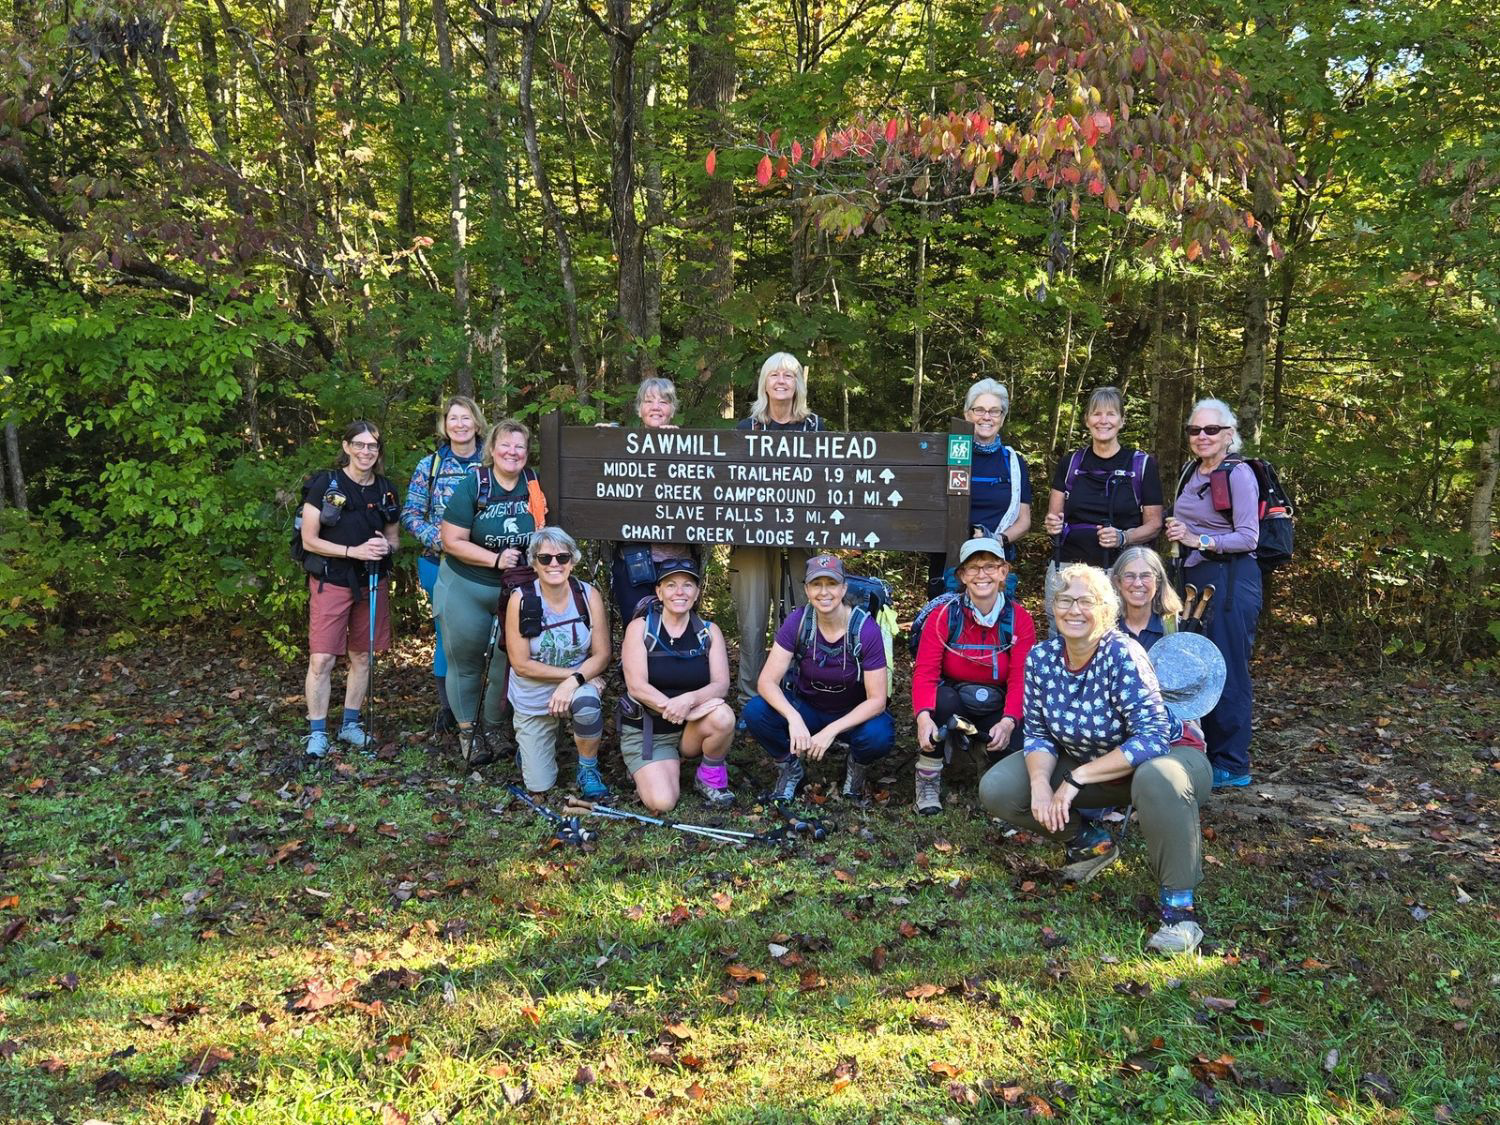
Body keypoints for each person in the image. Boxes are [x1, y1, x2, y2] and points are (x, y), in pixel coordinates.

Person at [978, 563, 1214, 954]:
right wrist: (1040, 785)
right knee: (1000, 787)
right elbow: (1037, 734)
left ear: (1106, 609)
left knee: (1156, 778)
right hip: (1097, 765)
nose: (1074, 610)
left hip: (1170, 757)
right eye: (1065, 600)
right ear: (1053, 608)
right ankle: (1092, 844)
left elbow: (1153, 736)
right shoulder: (1041, 658)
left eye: (1086, 601)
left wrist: (1074, 780)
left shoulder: (1122, 653)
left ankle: (1179, 913)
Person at [434, 418, 548, 766]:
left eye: (520, 446)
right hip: (466, 584)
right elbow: (450, 540)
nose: (512, 452)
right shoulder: (475, 483)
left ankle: (495, 726)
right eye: (506, 445)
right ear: (492, 449)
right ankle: (468, 732)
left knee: (508, 662)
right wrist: (495, 559)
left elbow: (546, 529)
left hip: (516, 590)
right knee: (466, 661)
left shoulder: (534, 484)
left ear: (527, 453)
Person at [1163, 398, 1261, 789]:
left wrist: (1198, 539)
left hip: (1232, 580)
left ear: (1229, 434)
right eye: (1195, 430)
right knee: (1200, 667)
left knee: (1229, 669)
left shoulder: (1237, 474)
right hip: (1197, 578)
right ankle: (1205, 752)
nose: (1202, 436)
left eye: (1211, 430)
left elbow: (1248, 536)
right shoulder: (1194, 470)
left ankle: (1233, 763)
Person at [742, 555, 895, 804]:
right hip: (808, 709)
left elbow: (877, 700)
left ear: (843, 588)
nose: (824, 592)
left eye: (831, 584)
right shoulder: (799, 622)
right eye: (816, 584)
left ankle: (856, 766)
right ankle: (790, 768)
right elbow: (766, 682)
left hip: (851, 714)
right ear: (807, 589)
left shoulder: (865, 629)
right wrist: (793, 718)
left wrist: (831, 731)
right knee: (756, 711)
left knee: (879, 734)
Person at [911, 537, 1036, 815]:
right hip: (955, 701)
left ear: (1003, 572)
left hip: (998, 704)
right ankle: (928, 778)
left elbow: (1021, 678)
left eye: (990, 566)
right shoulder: (944, 615)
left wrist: (1008, 721)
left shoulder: (1019, 619)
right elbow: (926, 671)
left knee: (1021, 739)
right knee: (939, 702)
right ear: (962, 576)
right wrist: (922, 717)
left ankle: (986, 757)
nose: (982, 574)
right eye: (973, 567)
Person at [297, 420, 400, 758]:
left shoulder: (385, 489)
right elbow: (309, 540)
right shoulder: (325, 484)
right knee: (323, 658)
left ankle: (351, 725)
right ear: (346, 446)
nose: (366, 451)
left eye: (372, 446)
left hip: (372, 581)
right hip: (332, 580)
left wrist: (385, 548)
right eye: (359, 444)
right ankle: (317, 731)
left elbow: (394, 538)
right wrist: (351, 552)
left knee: (362, 656)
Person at [729, 352, 825, 698]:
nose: (781, 380)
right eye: (775, 375)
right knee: (752, 622)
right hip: (751, 543)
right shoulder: (747, 427)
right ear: (764, 383)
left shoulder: (815, 427)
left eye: (789, 375)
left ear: (798, 383)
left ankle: (798, 692)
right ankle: (749, 697)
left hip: (801, 539)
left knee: (802, 615)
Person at [618, 557, 737, 811]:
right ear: (659, 592)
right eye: (671, 585)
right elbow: (636, 686)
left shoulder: (708, 631)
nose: (679, 592)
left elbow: (720, 685)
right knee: (663, 802)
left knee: (723, 716)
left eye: (687, 585)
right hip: (649, 732)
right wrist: (676, 708)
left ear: (696, 593)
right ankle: (646, 770)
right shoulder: (640, 628)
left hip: (690, 728)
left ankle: (709, 775)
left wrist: (689, 701)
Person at [504, 528, 612, 797]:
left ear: (572, 561)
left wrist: (574, 683)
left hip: (575, 688)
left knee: (587, 703)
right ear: (533, 562)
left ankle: (588, 767)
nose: (554, 564)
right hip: (533, 696)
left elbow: (602, 654)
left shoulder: (587, 595)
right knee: (540, 785)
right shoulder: (520, 599)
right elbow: (521, 664)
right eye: (545, 558)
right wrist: (577, 675)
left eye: (562, 557)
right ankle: (530, 747)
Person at [402, 395, 487, 733]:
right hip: (440, 564)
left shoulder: (494, 462)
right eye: (453, 418)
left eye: (466, 418)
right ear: (445, 425)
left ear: (477, 423)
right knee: (449, 637)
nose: (460, 424)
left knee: (494, 637)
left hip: (488, 564)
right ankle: (449, 709)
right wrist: (441, 541)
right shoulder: (430, 466)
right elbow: (410, 514)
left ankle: (491, 708)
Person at [928, 379, 1031, 597]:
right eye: (979, 410)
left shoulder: (1013, 462)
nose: (987, 417)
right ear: (967, 414)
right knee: (946, 627)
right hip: (948, 563)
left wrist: (997, 539)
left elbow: (1024, 520)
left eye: (995, 411)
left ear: (1002, 418)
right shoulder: (945, 455)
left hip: (993, 564)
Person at [608, 377, 698, 627]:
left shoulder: (690, 448)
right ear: (639, 409)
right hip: (632, 561)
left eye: (664, 401)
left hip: (675, 560)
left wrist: (675, 449)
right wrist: (601, 439)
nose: (656, 406)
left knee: (674, 629)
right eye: (649, 401)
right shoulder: (624, 447)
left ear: (673, 410)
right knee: (637, 627)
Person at [1043, 386, 1163, 568]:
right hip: (1069, 567)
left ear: (1122, 421)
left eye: (1111, 414)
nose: (1103, 421)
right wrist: (1052, 526)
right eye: (1096, 414)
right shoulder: (1070, 463)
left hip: (1122, 569)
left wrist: (1123, 537)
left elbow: (1154, 525)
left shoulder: (1142, 465)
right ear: (1087, 420)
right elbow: (1054, 518)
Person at [1110, 547, 1184, 652]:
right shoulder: (1106, 629)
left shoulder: (1176, 628)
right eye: (1129, 576)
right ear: (1118, 582)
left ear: (1158, 582)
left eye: (1146, 576)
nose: (1138, 584)